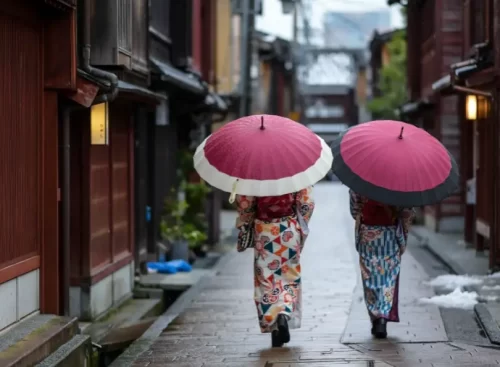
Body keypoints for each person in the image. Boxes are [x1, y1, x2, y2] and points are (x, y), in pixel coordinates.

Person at [235, 187, 315, 347]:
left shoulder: (254, 174)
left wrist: (246, 220)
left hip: (264, 231)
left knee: (266, 279)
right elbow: (306, 203)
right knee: (289, 277)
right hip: (288, 230)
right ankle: (284, 312)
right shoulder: (295, 171)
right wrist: (301, 223)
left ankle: (274, 318)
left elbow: (245, 204)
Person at [349, 189, 415, 339]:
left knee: (370, 276)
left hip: (368, 233)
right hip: (390, 234)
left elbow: (354, 210)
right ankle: (383, 316)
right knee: (388, 279)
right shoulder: (398, 181)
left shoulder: (361, 180)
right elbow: (407, 210)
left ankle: (375, 316)